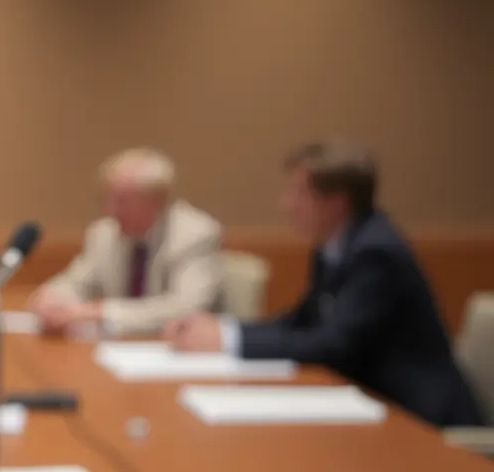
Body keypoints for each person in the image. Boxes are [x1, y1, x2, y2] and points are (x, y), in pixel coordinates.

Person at [168, 140, 484, 427]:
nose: (287, 204)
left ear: (337, 201)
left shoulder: (376, 252)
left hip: (420, 418)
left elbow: (333, 346)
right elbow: (301, 321)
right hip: (367, 402)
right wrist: (225, 331)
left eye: (299, 193)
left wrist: (228, 342)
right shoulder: (333, 245)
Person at [29, 147, 223, 337]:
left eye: (122, 201)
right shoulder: (104, 233)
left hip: (180, 355)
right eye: (106, 198)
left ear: (157, 201)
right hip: (116, 353)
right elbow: (76, 281)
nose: (110, 210)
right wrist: (52, 300)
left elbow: (186, 308)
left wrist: (100, 312)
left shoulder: (195, 234)